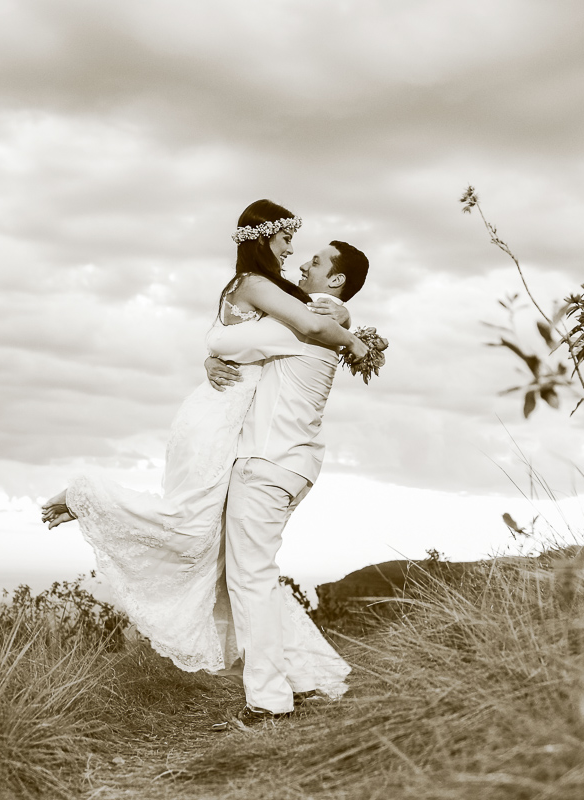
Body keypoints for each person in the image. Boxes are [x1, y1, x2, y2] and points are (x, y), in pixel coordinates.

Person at [40, 201, 366, 697]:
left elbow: (251, 336)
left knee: (225, 560)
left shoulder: (314, 312)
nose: (296, 254)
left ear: (335, 283)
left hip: (255, 448)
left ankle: (285, 688)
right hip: (223, 426)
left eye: (312, 258)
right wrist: (353, 341)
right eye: (286, 240)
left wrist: (346, 334)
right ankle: (87, 496)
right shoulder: (267, 294)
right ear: (264, 238)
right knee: (203, 537)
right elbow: (247, 337)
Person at [203, 239, 370, 723]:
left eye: (315, 261)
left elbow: (223, 341)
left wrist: (212, 353)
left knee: (250, 581)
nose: (302, 263)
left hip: (267, 464)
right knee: (260, 578)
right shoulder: (319, 320)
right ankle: (319, 677)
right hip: (288, 464)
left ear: (335, 280)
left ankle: (269, 702)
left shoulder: (308, 321)